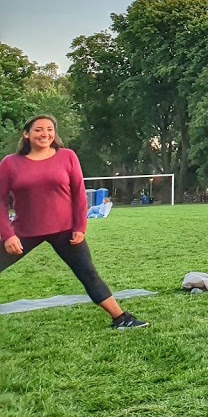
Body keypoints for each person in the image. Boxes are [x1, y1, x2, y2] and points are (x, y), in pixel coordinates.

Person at [0, 115, 148, 329]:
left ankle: (121, 318)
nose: (45, 134)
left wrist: (80, 227)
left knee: (88, 273)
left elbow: (79, 194)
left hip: (65, 231)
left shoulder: (67, 156)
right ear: (26, 134)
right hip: (24, 232)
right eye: (38, 130)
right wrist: (8, 235)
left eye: (49, 129)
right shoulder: (10, 163)